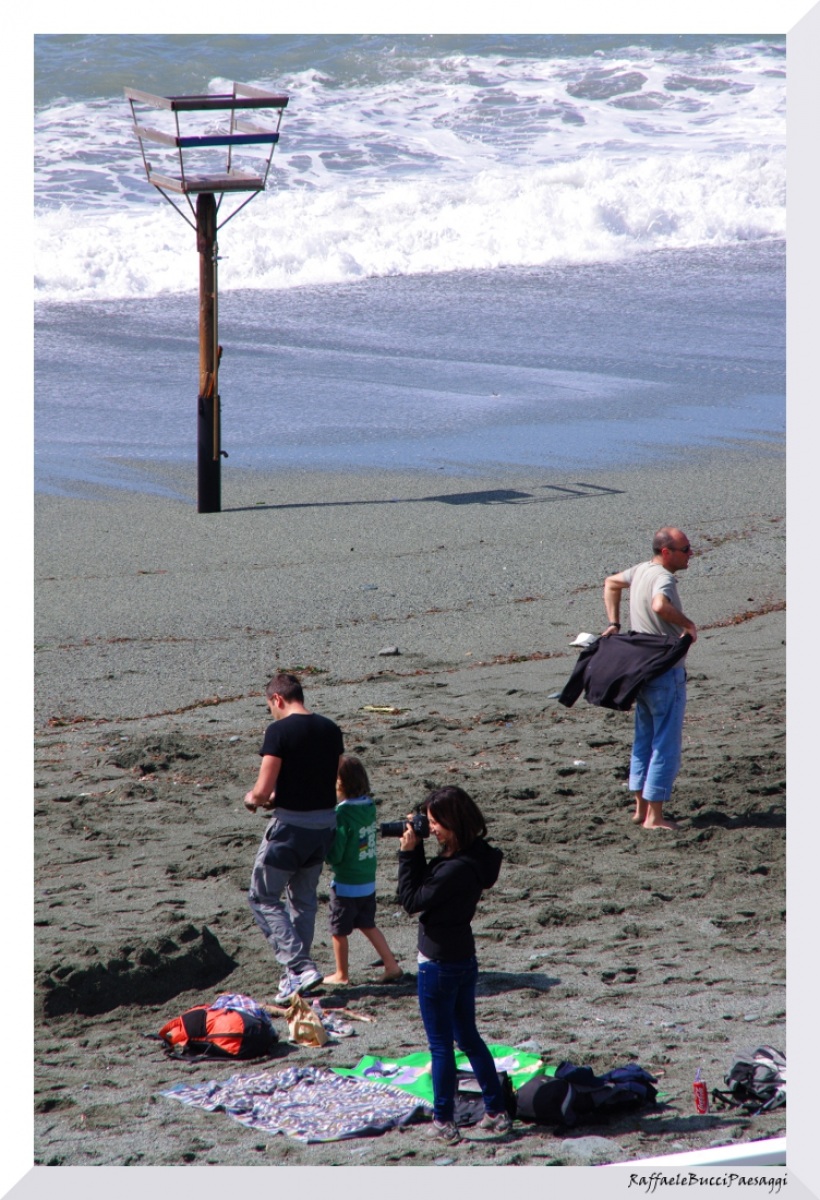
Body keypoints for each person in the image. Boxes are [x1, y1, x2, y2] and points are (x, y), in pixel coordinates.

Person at [397, 786, 511, 1144]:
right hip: (464, 958)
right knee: (469, 1038)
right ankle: (496, 1111)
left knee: (442, 1045)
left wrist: (407, 855)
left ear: (453, 822)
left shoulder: (452, 870)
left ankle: (444, 1118)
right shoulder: (478, 857)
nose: (431, 829)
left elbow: (410, 900)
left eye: (435, 823)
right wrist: (422, 850)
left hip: (437, 964)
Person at [244, 672, 344, 1002]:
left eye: (269, 706)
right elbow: (322, 780)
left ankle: (300, 968)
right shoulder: (330, 729)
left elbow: (262, 791)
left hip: (290, 829)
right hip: (324, 826)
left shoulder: (279, 731)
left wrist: (253, 799)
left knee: (262, 897)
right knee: (302, 901)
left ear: (278, 699)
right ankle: (295, 977)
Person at [603, 527, 698, 831]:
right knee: (665, 743)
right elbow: (659, 605)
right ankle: (654, 817)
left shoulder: (641, 570)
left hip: (641, 670)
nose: (690, 554)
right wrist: (688, 625)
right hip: (664, 671)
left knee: (643, 738)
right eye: (685, 549)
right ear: (666, 552)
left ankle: (640, 808)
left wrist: (614, 623)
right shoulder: (663, 577)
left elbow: (611, 582)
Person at [322, 755, 402, 986]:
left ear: (340, 784)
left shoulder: (342, 814)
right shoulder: (368, 807)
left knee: (338, 930)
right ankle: (391, 965)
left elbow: (337, 852)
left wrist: (327, 853)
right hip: (367, 880)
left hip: (347, 882)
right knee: (367, 924)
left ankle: (341, 974)